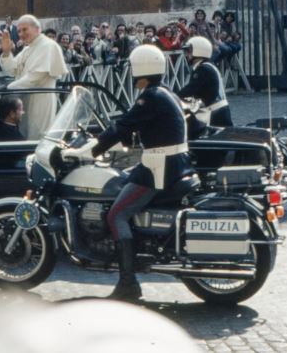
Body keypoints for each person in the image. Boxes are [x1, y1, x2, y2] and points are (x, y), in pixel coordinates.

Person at [62, 45, 192, 301]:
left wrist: (92, 149)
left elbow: (122, 126)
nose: (131, 74)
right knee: (123, 186)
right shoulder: (164, 93)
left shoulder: (150, 96)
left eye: (133, 69)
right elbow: (143, 128)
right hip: (173, 162)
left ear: (141, 70)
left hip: (159, 167)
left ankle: (128, 284)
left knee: (117, 214)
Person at [0, 15, 68, 141]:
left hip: (40, 101)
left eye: (25, 29)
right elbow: (11, 69)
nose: (21, 34)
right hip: (24, 100)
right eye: (19, 31)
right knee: (24, 136)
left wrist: (7, 89)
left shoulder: (48, 45)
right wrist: (6, 52)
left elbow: (36, 77)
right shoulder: (28, 48)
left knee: (37, 137)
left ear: (37, 29)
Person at [177, 36, 232, 127]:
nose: (186, 55)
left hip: (214, 113)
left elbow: (191, 89)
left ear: (198, 51)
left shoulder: (203, 69)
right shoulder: (208, 66)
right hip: (218, 110)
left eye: (189, 51)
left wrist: (174, 96)